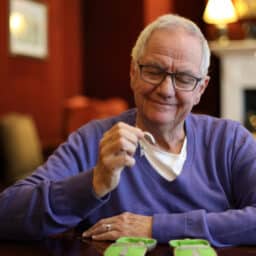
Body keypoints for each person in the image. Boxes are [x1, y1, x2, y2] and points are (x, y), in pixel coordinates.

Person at [0, 14, 256, 247]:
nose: (166, 89)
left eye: (185, 78)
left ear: (201, 88)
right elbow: (7, 212)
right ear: (133, 71)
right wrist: (95, 182)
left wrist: (155, 227)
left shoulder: (230, 141)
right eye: (154, 71)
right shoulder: (92, 140)